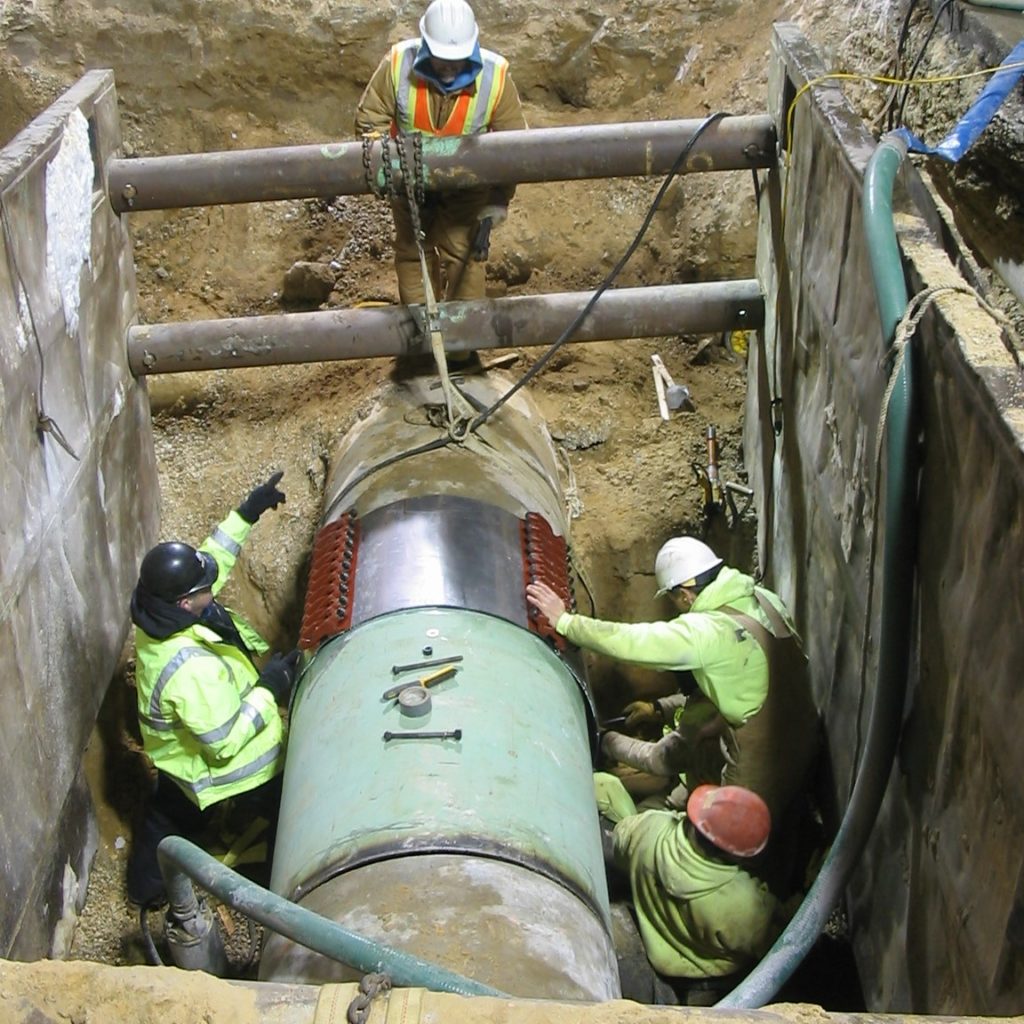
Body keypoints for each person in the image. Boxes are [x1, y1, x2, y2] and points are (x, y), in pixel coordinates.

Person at [526, 537, 819, 824]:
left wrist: (566, 622)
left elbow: (633, 642)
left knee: (732, 842)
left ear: (685, 594)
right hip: (805, 738)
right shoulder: (762, 598)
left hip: (764, 760)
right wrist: (658, 708)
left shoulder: (706, 632)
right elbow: (748, 680)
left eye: (672, 598)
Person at [126, 471, 301, 906]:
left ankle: (146, 887)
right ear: (187, 602)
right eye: (205, 588)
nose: (213, 585)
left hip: (177, 760)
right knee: (286, 803)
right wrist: (270, 688)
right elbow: (224, 743)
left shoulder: (160, 610)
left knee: (168, 815)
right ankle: (286, 876)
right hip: (225, 768)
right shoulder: (190, 670)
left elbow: (211, 560)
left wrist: (247, 512)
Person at [354, 0, 527, 307]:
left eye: (457, 60)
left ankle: (460, 347)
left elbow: (513, 150)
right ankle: (423, 338)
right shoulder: (397, 64)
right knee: (412, 252)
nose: (449, 68)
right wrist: (391, 174)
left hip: (466, 185)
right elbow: (370, 122)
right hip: (410, 181)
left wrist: (500, 198)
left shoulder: (495, 77)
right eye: (441, 59)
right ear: (425, 47)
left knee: (462, 253)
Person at [595, 774, 784, 984]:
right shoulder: (744, 906)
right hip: (707, 975)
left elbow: (620, 844)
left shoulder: (650, 827)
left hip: (654, 945)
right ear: (737, 854)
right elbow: (779, 943)